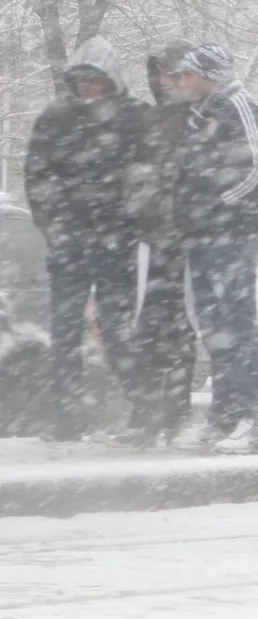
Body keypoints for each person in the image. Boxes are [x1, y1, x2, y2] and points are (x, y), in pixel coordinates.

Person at [23, 36, 149, 441]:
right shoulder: (56, 119)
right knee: (64, 331)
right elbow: (38, 177)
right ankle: (68, 416)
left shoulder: (136, 119)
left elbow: (151, 176)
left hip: (118, 245)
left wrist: (129, 222)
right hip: (70, 244)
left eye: (96, 80)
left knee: (116, 329)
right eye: (82, 81)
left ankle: (142, 407)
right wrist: (57, 227)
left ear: (112, 80)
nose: (88, 88)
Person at [169, 43, 258, 453]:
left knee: (241, 327)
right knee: (215, 330)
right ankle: (225, 415)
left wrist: (219, 206)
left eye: (188, 74)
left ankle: (256, 417)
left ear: (209, 74)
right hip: (201, 239)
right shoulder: (201, 116)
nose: (182, 81)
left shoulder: (240, 108)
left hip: (233, 236)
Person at [105, 40, 201, 448]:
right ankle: (148, 411)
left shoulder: (199, 118)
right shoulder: (155, 118)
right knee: (148, 329)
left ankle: (174, 412)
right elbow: (137, 170)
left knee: (179, 330)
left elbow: (194, 175)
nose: (167, 80)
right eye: (162, 73)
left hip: (187, 241)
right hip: (153, 240)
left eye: (175, 73)